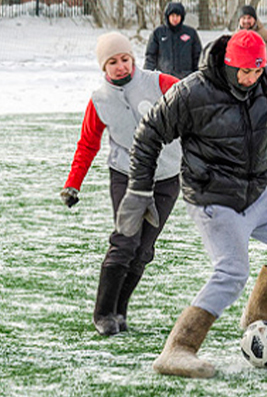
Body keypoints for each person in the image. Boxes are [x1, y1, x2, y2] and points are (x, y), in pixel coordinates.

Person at [114, 30, 267, 378]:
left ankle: (264, 314)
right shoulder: (193, 92)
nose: (250, 79)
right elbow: (149, 134)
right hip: (213, 199)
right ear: (228, 65)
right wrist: (139, 190)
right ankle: (178, 349)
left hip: (257, 193)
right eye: (244, 72)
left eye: (257, 71)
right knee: (232, 271)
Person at [60, 32, 181, 336]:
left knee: (143, 249)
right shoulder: (100, 99)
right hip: (126, 176)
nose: (120, 66)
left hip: (167, 177)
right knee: (125, 242)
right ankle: (103, 313)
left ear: (133, 58)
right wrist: (73, 183)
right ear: (103, 67)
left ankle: (120, 310)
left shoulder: (160, 83)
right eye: (112, 62)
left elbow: (195, 104)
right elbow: (88, 143)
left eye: (124, 59)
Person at [144, 2, 202, 79]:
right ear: (168, 16)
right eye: (172, 16)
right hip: (165, 78)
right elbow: (151, 56)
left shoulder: (191, 33)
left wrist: (198, 76)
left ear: (182, 17)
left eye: (177, 16)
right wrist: (146, 75)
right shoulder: (158, 33)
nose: (175, 19)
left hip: (186, 78)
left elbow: (198, 57)